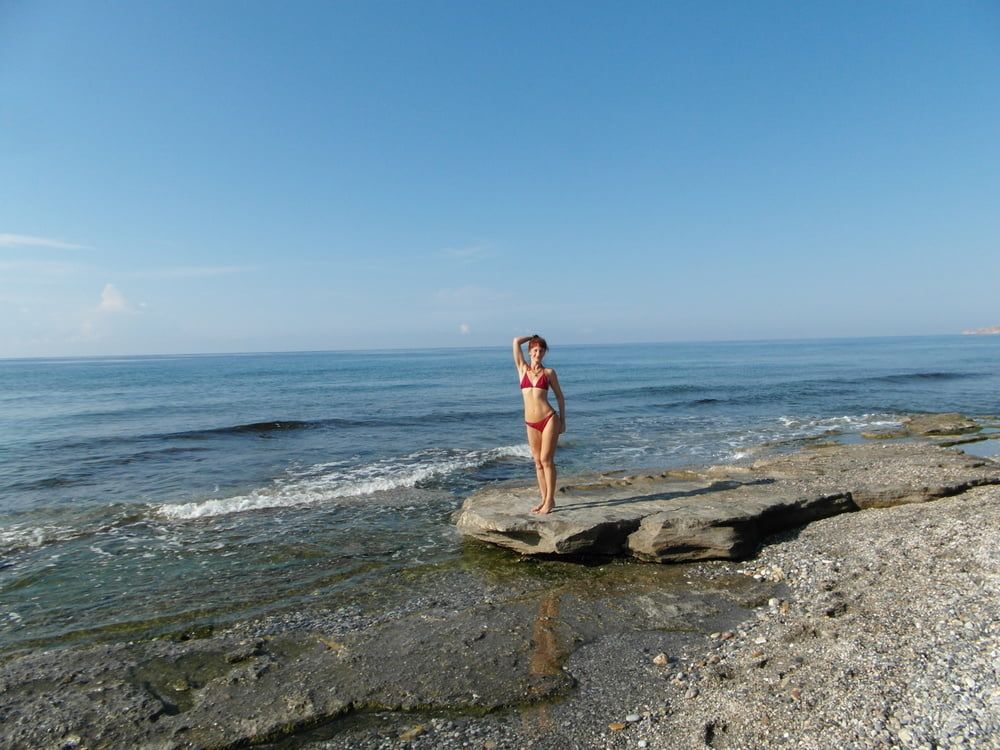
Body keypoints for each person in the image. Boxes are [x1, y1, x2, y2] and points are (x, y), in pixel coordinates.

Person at [512, 334, 566, 514]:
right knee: (537, 462)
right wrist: (533, 336)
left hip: (549, 419)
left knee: (546, 460)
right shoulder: (522, 370)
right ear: (529, 352)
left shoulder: (549, 373)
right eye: (535, 350)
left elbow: (559, 396)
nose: (538, 353)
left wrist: (563, 421)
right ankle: (543, 499)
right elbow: (515, 342)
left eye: (541, 350)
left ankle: (550, 500)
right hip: (531, 422)